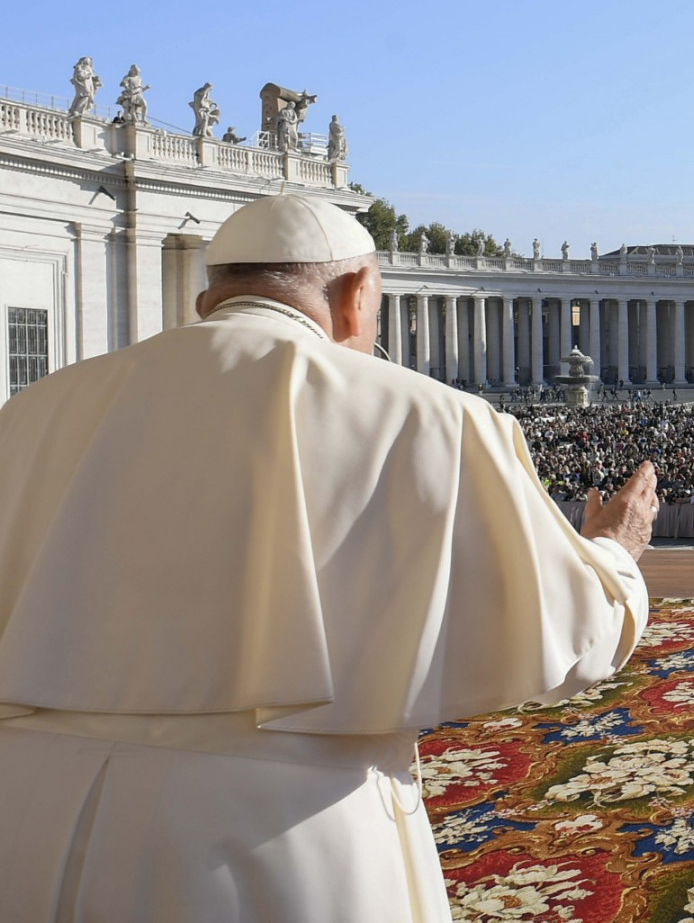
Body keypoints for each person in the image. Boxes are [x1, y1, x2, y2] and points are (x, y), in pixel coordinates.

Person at [0, 195, 654, 922]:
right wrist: (614, 551)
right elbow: (575, 639)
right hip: (282, 836)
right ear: (357, 296)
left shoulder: (29, 412)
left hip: (26, 822)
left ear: (205, 299)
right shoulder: (435, 416)